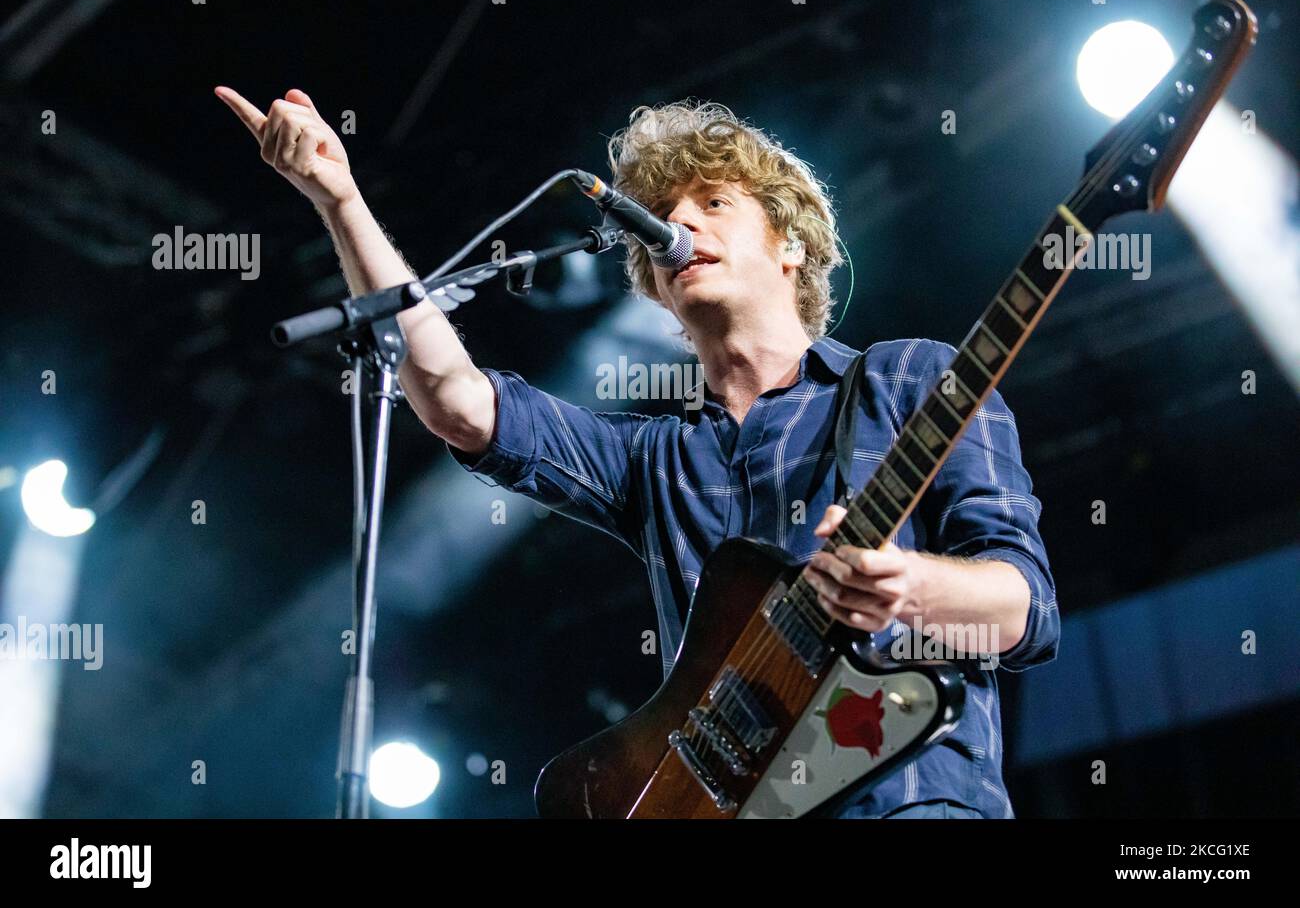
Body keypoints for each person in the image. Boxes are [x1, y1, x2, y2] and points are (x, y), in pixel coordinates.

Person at [215, 87, 1060, 818]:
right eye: (667, 215)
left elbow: (1028, 611)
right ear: (653, 285)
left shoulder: (910, 377)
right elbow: (459, 402)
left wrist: (912, 587)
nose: (680, 224)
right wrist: (339, 199)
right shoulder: (653, 458)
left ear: (790, 245)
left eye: (714, 203)